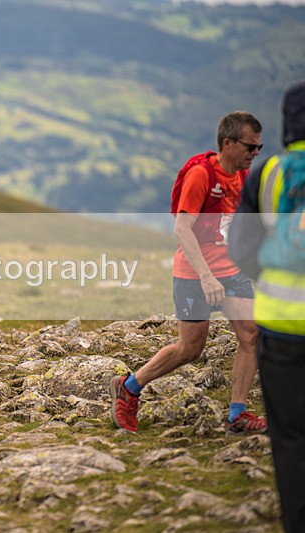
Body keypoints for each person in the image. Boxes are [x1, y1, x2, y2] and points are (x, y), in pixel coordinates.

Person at [110, 111, 267, 434]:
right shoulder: (201, 175)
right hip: (195, 272)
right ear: (228, 142)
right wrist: (207, 277)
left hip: (231, 271)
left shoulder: (242, 177)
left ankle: (237, 414)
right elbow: (182, 229)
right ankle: (129, 387)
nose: (255, 153)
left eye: (259, 148)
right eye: (250, 147)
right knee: (190, 349)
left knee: (250, 335)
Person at [228, 81, 305, 533]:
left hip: (280, 327)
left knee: (290, 437)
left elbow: (241, 246)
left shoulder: (270, 173)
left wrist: (267, 276)